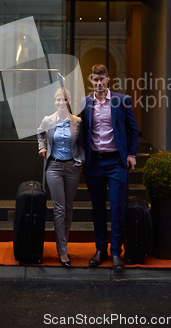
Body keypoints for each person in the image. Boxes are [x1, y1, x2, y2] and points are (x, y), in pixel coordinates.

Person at [80, 64, 139, 271]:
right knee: (97, 208)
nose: (98, 83)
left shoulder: (121, 100)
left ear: (107, 80)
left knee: (117, 207)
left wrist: (131, 154)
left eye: (101, 79)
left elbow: (133, 128)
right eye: (94, 79)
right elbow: (81, 131)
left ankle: (116, 253)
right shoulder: (84, 103)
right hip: (94, 162)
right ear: (91, 80)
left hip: (116, 162)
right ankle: (100, 250)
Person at [38, 88, 84, 267]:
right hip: (54, 167)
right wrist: (42, 147)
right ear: (54, 102)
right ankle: (63, 251)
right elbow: (40, 132)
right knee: (59, 209)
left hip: (72, 167)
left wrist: (81, 160)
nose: (60, 103)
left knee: (69, 208)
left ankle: (62, 245)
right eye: (57, 100)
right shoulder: (48, 120)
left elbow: (81, 144)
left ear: (68, 101)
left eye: (64, 99)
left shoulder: (77, 122)